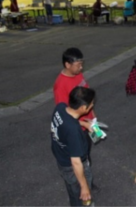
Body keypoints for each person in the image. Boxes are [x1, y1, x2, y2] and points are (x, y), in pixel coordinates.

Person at [53, 48, 100, 193]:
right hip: (78, 129)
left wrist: (93, 117)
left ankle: (88, 181)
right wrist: (84, 124)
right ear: (67, 64)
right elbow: (66, 116)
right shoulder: (61, 85)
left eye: (82, 64)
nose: (81, 67)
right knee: (79, 159)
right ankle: (83, 187)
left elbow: (88, 98)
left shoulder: (78, 75)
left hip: (88, 124)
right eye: (78, 64)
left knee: (86, 155)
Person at [51, 86, 95, 207]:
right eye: (91, 104)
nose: (92, 106)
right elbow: (76, 162)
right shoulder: (74, 131)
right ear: (83, 108)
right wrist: (84, 186)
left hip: (62, 160)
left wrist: (84, 124)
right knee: (81, 195)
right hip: (72, 167)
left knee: (72, 190)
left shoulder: (60, 108)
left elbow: (68, 121)